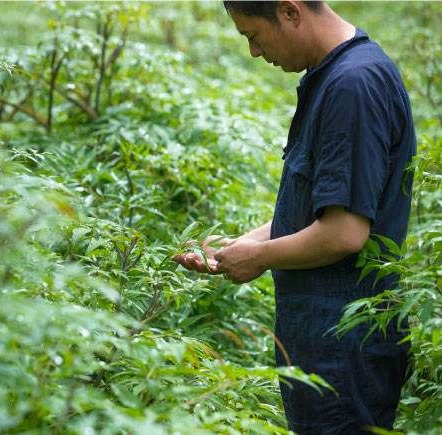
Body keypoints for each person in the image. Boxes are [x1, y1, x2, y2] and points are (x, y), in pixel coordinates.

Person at [173, 1, 416, 433]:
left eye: (251, 35)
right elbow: (318, 213)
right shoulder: (333, 76)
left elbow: (344, 233)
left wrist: (262, 256)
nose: (253, 51)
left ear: (289, 11)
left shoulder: (352, 85)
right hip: (325, 342)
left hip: (342, 345)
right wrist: (240, 246)